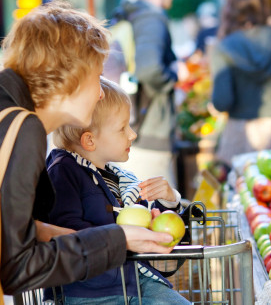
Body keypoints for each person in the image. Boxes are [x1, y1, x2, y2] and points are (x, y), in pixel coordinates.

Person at [0, 0, 175, 296]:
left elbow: (15, 231)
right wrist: (118, 239)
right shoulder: (22, 127)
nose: (99, 94)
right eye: (97, 77)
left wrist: (111, 237)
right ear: (70, 76)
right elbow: (18, 267)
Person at [46, 77, 189, 304]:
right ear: (90, 141)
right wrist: (118, 235)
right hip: (90, 292)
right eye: (123, 128)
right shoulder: (63, 172)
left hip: (134, 281)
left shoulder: (116, 176)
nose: (132, 134)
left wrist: (169, 201)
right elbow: (65, 232)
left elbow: (148, 222)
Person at [108, 0, 183, 185]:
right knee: (160, 210)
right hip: (150, 135)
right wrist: (174, 74)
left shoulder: (130, 14)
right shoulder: (152, 19)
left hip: (136, 129)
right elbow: (150, 69)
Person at [210, 0, 271, 165]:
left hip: (241, 133)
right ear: (263, 8)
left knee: (243, 188)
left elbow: (222, 101)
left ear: (230, 11)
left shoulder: (224, 47)